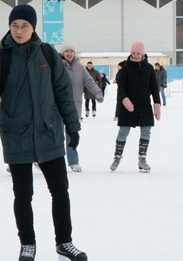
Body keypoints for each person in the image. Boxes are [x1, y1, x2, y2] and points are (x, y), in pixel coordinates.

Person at [0, 4, 88, 261]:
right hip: (17, 134)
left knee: (60, 191)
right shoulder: (2, 59)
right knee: (23, 194)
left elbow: (63, 93)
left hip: (48, 133)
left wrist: (72, 126)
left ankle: (64, 243)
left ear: (34, 27)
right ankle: (28, 243)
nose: (19, 30)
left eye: (25, 26)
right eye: (15, 26)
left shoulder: (47, 54)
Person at [110, 41, 161, 172]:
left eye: (138, 53)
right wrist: (125, 99)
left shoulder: (149, 68)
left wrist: (157, 104)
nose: (136, 55)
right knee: (123, 132)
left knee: (146, 131)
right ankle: (117, 156)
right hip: (128, 106)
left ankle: (142, 159)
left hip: (144, 105)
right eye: (134, 53)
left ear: (143, 54)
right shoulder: (126, 68)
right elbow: (120, 87)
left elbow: (154, 87)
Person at [60, 43, 103, 171]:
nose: (69, 53)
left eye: (71, 51)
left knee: (72, 135)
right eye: (66, 51)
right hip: (58, 106)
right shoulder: (57, 66)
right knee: (55, 136)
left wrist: (98, 92)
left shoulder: (79, 67)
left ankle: (73, 162)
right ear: (62, 53)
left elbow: (89, 81)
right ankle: (47, 161)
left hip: (74, 107)